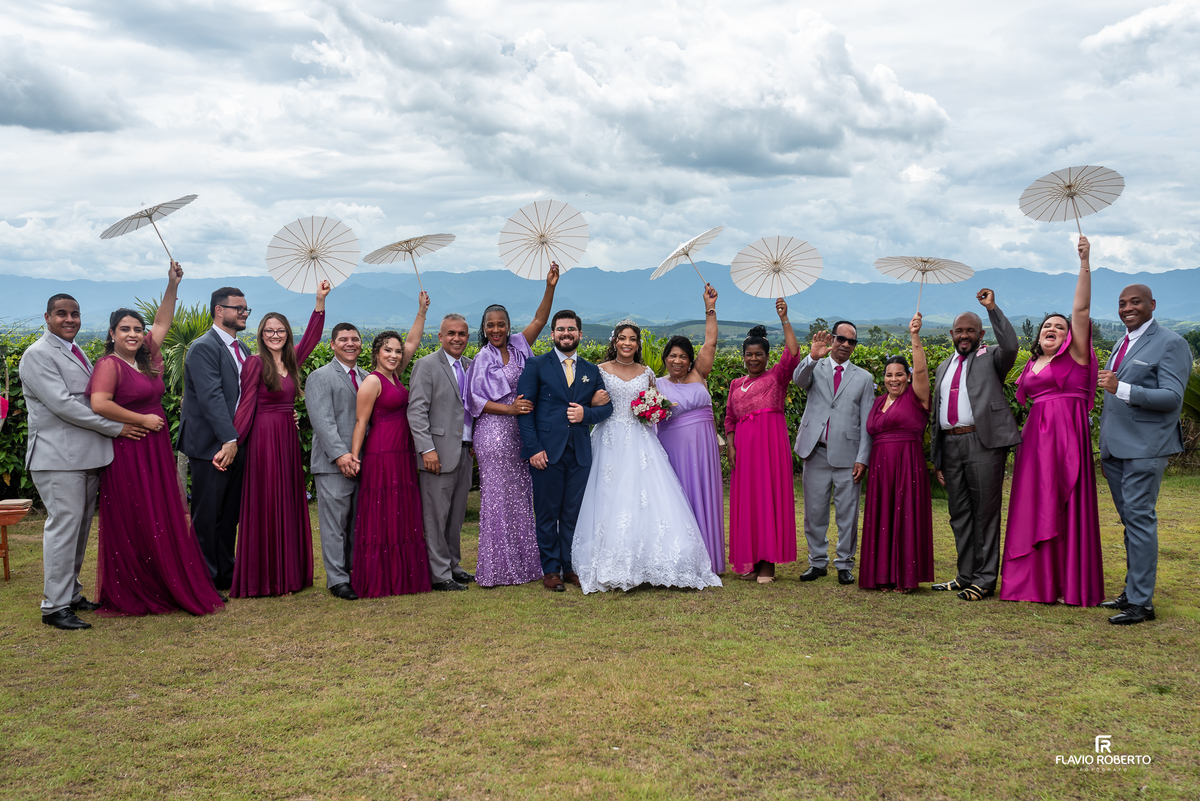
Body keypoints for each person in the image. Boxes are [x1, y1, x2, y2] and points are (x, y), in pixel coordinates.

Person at [86, 263, 225, 616]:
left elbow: (162, 322)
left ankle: (164, 576)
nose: (133, 334)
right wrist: (141, 419)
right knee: (136, 511)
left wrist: (171, 285)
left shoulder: (145, 358)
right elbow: (99, 402)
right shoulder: (110, 365)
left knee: (160, 510)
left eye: (137, 329)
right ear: (112, 334)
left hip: (154, 447)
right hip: (128, 446)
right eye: (125, 330)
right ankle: (136, 583)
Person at [572, 321, 723, 594]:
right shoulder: (599, 370)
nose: (627, 343)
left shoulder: (647, 373)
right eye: (622, 338)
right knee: (608, 496)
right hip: (608, 439)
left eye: (632, 339)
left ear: (638, 344)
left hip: (641, 441)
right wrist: (593, 402)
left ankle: (649, 562)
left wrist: (653, 410)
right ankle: (612, 562)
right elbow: (585, 402)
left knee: (645, 499)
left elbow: (654, 406)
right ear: (615, 341)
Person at [20, 293, 142, 629]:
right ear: (47, 317)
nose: (70, 319)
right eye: (62, 314)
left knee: (79, 530)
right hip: (58, 457)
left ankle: (70, 594)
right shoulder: (38, 355)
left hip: (85, 455)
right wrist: (117, 427)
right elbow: (65, 406)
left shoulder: (76, 351)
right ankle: (54, 606)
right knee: (63, 529)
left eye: (74, 314)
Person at [1000, 237, 1104, 607]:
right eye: (1047, 325)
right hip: (1035, 442)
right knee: (1033, 503)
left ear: (1069, 336)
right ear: (1038, 334)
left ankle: (1068, 584)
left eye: (1060, 327)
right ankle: (1034, 584)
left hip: (1066, 437)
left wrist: (1084, 263)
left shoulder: (1075, 356)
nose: (1053, 329)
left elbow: (1081, 309)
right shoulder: (1029, 366)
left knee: (1066, 504)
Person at [1096, 282, 1191, 624]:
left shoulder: (1171, 343)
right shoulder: (1122, 341)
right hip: (1116, 448)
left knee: (1139, 520)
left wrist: (1120, 386)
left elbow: (1171, 398)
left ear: (1152, 304)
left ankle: (1141, 604)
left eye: (1135, 302)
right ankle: (1133, 591)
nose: (1127, 308)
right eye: (1122, 303)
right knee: (1131, 522)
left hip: (1145, 448)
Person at [228, 282, 329, 597]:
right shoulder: (255, 363)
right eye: (269, 330)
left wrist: (319, 302)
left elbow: (312, 338)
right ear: (261, 334)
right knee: (267, 502)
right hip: (263, 439)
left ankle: (289, 574)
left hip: (286, 435)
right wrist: (232, 441)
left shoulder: (292, 361)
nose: (275, 335)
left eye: (280, 330)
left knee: (286, 500)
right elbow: (245, 406)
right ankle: (265, 578)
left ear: (287, 333)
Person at [464, 265, 560, 588]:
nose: (496, 330)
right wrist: (509, 408)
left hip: (520, 432)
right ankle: (497, 567)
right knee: (497, 500)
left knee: (521, 497)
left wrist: (550, 287)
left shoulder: (520, 345)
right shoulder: (481, 358)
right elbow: (475, 400)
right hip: (493, 432)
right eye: (490, 325)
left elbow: (540, 320)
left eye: (500, 324)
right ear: (484, 328)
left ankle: (524, 564)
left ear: (508, 326)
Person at [930, 289, 1021, 602]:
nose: (964, 335)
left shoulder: (992, 357)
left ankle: (984, 579)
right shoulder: (944, 366)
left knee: (985, 513)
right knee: (960, 514)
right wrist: (938, 457)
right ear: (951, 334)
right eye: (959, 330)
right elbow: (936, 412)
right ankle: (965, 575)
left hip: (982, 443)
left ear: (981, 334)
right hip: (951, 445)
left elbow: (1011, 344)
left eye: (971, 330)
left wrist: (992, 307)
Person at [516, 309, 614, 592]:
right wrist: (533, 449)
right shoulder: (536, 365)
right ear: (553, 335)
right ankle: (550, 569)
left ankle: (571, 565)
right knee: (547, 513)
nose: (566, 334)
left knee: (573, 513)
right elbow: (525, 411)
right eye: (561, 329)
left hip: (581, 453)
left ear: (580, 334)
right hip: (546, 452)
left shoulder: (591, 370)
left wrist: (587, 414)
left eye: (571, 329)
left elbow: (607, 408)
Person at [350, 294, 432, 598]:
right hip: (382, 452)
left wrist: (421, 312)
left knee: (401, 511)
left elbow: (412, 342)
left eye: (397, 351)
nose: (395, 355)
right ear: (377, 353)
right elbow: (361, 422)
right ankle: (381, 578)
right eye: (388, 350)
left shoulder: (396, 375)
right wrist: (355, 457)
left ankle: (404, 576)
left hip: (402, 452)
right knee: (383, 513)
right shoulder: (372, 382)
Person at [179, 285, 252, 591]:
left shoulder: (242, 349)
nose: (245, 313)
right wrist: (229, 440)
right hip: (212, 445)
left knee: (228, 514)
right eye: (239, 309)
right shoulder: (203, 347)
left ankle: (224, 572)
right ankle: (202, 580)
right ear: (219, 311)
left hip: (235, 442)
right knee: (207, 515)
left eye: (246, 309)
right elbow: (212, 398)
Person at [724, 299, 801, 583]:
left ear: (767, 356)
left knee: (768, 498)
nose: (753, 359)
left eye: (758, 354)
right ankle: (753, 560)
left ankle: (768, 563)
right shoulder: (735, 384)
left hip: (770, 446)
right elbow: (730, 417)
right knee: (749, 502)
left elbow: (793, 354)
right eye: (749, 354)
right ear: (742, 356)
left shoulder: (777, 377)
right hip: (743, 449)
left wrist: (784, 319)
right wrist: (731, 445)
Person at [793, 320, 875, 585]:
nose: (846, 345)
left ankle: (844, 564)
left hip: (848, 455)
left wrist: (863, 457)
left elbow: (867, 422)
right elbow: (798, 380)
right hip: (815, 452)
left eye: (852, 341)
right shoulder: (816, 366)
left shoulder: (864, 378)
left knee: (847, 514)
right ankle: (817, 562)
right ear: (832, 339)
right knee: (814, 512)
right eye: (842, 339)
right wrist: (811, 358)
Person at [858, 313, 932, 593]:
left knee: (904, 516)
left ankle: (905, 577)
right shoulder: (878, 402)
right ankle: (882, 576)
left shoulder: (917, 396)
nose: (893, 379)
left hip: (907, 464)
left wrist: (915, 337)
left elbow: (922, 372)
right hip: (880, 468)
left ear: (908, 376)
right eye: (889, 375)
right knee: (883, 518)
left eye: (899, 374)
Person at [657, 285, 725, 575]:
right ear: (665, 358)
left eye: (683, 356)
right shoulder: (655, 385)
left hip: (704, 448)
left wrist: (709, 307)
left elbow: (710, 341)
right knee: (677, 499)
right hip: (672, 449)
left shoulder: (699, 374)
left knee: (704, 496)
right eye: (672, 355)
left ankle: (708, 558)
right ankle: (681, 559)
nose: (678, 361)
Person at [409, 314, 477, 591]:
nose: (457, 338)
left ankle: (453, 565)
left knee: (456, 515)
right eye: (451, 333)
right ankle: (439, 575)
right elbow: (416, 411)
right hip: (436, 454)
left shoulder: (471, 367)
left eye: (462, 333)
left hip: (464, 451)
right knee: (435, 517)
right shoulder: (425, 366)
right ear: (440, 337)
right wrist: (427, 449)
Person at [305, 322, 369, 601]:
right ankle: (337, 580)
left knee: (357, 522)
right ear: (332, 344)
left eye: (355, 339)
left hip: (364, 462)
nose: (350, 343)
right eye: (343, 339)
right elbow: (323, 421)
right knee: (334, 524)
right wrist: (341, 455)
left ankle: (355, 572)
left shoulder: (367, 377)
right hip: (333, 463)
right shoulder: (320, 376)